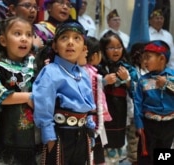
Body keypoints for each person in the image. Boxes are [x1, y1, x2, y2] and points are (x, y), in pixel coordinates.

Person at [32, 20, 96, 165]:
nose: (70, 43)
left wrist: (91, 130)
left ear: (83, 48)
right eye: (64, 38)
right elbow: (43, 105)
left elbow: (89, 106)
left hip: (82, 133)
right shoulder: (51, 72)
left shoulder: (83, 73)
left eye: (76, 38)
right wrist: (49, 138)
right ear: (55, 46)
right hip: (59, 134)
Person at [0, 16, 36, 165]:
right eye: (17, 34)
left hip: (33, 139)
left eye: (28, 34)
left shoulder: (36, 66)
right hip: (4, 138)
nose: (24, 39)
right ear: (3, 41)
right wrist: (29, 97)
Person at [97, 30, 137, 164]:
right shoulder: (99, 67)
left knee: (118, 146)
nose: (116, 51)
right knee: (102, 147)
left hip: (120, 113)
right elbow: (90, 89)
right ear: (103, 49)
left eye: (119, 47)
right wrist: (104, 81)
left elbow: (136, 92)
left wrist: (127, 80)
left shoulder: (127, 68)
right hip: (102, 113)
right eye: (111, 47)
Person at [134, 40, 174, 165]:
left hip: (169, 124)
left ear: (162, 59)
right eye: (143, 58)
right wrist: (139, 124)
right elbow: (137, 103)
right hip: (149, 125)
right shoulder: (143, 81)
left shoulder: (172, 77)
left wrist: (167, 84)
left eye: (148, 57)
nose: (144, 62)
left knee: (164, 154)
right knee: (145, 154)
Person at [78, 36, 112, 165]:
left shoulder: (91, 71)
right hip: (92, 118)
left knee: (96, 148)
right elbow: (93, 93)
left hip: (93, 117)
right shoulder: (88, 72)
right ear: (94, 55)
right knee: (93, 149)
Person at [126, 42, 147, 165]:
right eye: (145, 55)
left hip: (147, 114)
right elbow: (134, 91)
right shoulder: (133, 71)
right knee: (134, 143)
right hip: (135, 113)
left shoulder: (149, 70)